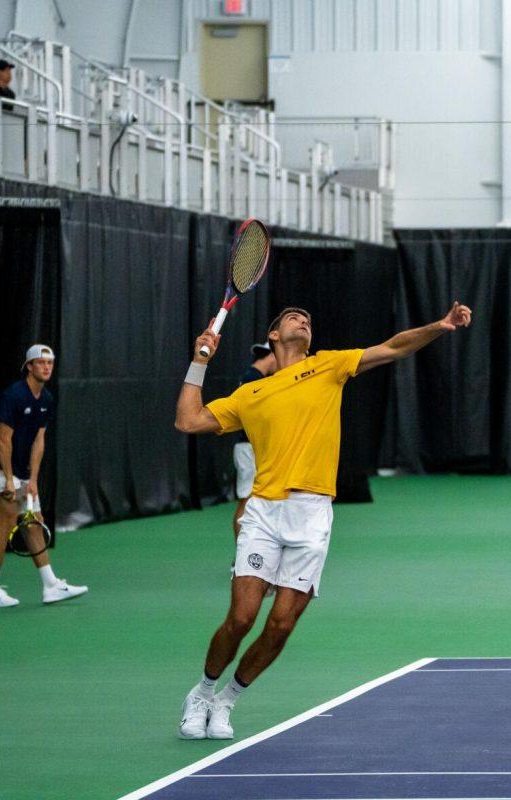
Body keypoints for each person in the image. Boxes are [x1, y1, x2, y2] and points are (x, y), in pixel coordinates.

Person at [173, 302, 472, 740]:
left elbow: (392, 348)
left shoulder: (329, 366)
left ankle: (227, 701)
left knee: (281, 626)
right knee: (242, 617)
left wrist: (441, 327)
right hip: (264, 512)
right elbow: (188, 420)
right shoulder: (249, 395)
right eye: (293, 317)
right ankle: (201, 692)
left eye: (308, 319)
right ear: (274, 336)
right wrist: (199, 362)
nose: (304, 320)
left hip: (312, 516)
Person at [0, 345, 88, 607]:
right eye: (40, 363)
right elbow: (4, 440)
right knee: (6, 523)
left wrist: (33, 481)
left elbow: (39, 441)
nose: (47, 367)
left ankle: (50, 585)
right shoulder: (13, 396)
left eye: (50, 363)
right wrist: (7, 479)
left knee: (34, 522)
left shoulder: (47, 399)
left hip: (23, 470)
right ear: (29, 366)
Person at [232, 341, 277, 539]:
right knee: (246, 500)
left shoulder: (256, 377)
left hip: (255, 448)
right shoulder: (252, 379)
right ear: (272, 356)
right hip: (248, 447)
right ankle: (240, 557)